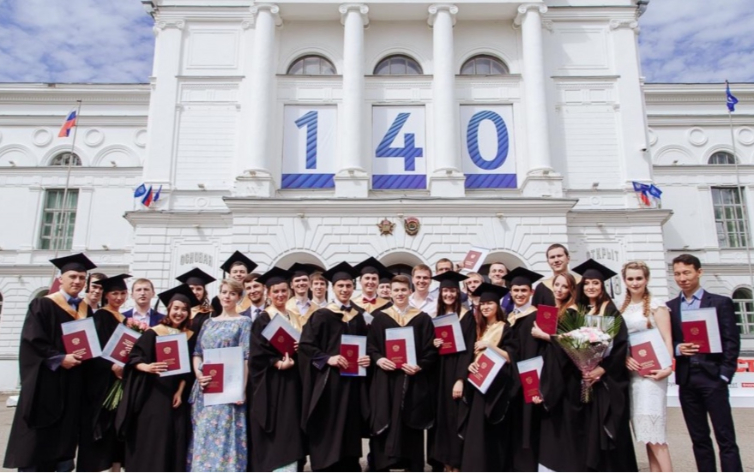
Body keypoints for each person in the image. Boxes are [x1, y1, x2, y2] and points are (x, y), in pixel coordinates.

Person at [538, 259, 637, 471]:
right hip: (584, 379)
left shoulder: (611, 311)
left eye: (596, 283)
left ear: (602, 286)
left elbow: (620, 346)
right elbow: (569, 343)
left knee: (609, 427)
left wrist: (601, 369)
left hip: (606, 381)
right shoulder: (580, 311)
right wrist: (583, 365)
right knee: (589, 430)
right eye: (587, 283)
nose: (591, 287)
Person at [4, 253, 97, 471]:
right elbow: (32, 340)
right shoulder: (43, 305)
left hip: (73, 381)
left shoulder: (85, 310)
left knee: (66, 432)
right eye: (73, 276)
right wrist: (60, 358)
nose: (77, 281)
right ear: (60, 278)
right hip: (47, 381)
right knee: (41, 435)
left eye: (82, 278)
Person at [667, 254, 742, 472]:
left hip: (713, 377)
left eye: (686, 272)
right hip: (687, 380)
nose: (682, 278)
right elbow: (667, 340)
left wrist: (724, 375)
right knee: (699, 438)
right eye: (677, 274)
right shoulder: (671, 307)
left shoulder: (720, 303)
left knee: (725, 437)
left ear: (699, 272)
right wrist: (678, 348)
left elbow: (731, 341)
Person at [115, 284, 199, 472]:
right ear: (169, 309)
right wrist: (147, 367)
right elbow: (134, 358)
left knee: (172, 436)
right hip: (153, 391)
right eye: (176, 308)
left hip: (176, 395)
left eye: (184, 310)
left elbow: (189, 370)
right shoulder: (154, 332)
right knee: (152, 434)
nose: (179, 313)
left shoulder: (190, 336)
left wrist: (180, 391)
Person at [299, 262, 371, 471]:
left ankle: (349, 463)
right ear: (333, 287)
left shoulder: (358, 317)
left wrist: (366, 358)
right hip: (329, 381)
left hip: (352, 380)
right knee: (329, 422)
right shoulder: (321, 315)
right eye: (340, 286)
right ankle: (327, 464)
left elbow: (367, 344)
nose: (344, 289)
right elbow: (306, 345)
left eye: (348, 286)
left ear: (353, 288)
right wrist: (327, 358)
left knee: (350, 422)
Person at [368, 274, 438, 472]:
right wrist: (379, 359)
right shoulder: (380, 318)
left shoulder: (422, 318)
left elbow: (430, 350)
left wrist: (420, 366)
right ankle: (382, 465)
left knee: (410, 420)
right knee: (385, 417)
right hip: (386, 379)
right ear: (390, 293)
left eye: (403, 290)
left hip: (412, 379)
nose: (399, 294)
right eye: (396, 290)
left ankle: (412, 465)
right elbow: (371, 346)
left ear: (410, 291)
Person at [188, 278, 252, 472]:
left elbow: (246, 357)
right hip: (205, 388)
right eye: (224, 292)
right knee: (203, 434)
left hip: (229, 389)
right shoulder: (208, 323)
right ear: (219, 294)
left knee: (226, 434)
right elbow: (197, 353)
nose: (227, 296)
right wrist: (199, 374)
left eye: (232, 293)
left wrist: (241, 390)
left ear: (239, 297)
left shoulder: (244, 322)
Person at [249, 267, 306, 472]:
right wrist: (277, 363)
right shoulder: (263, 318)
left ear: (289, 291)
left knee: (292, 423)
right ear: (268, 293)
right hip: (273, 381)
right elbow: (257, 353)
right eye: (276, 291)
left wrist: (301, 348)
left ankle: (293, 465)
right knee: (279, 423)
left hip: (294, 379)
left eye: (283, 291)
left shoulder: (295, 317)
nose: (280, 295)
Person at [619, 261, 674, 472]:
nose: (635, 283)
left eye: (639, 278)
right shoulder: (621, 307)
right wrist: (625, 358)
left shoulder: (657, 306)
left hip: (654, 374)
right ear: (625, 280)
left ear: (646, 279)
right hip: (633, 374)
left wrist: (667, 368)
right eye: (630, 279)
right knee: (645, 434)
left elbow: (667, 339)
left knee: (655, 432)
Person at [78, 274, 131, 473]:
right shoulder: (100, 316)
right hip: (101, 385)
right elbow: (93, 349)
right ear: (106, 295)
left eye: (122, 293)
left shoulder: (125, 319)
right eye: (114, 293)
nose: (119, 297)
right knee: (100, 426)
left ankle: (114, 467)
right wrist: (111, 366)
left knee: (115, 429)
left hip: (119, 381)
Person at [459, 283, 513, 472]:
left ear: (497, 305)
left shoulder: (505, 328)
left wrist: (489, 345)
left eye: (490, 303)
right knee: (475, 431)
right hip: (476, 385)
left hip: (495, 389)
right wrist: (470, 365)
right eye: (482, 304)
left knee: (490, 432)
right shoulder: (477, 328)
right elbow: (469, 355)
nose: (485, 307)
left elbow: (510, 357)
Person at [427, 271, 474, 472]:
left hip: (455, 372)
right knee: (439, 419)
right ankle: (441, 463)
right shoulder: (434, 317)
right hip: (438, 375)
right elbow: (426, 348)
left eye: (452, 290)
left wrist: (460, 379)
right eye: (445, 290)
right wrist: (433, 343)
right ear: (440, 293)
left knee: (454, 417)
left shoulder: (466, 316)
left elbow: (469, 350)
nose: (449, 294)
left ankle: (455, 463)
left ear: (458, 292)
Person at [500, 267, 545, 472]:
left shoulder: (538, 316)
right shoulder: (508, 317)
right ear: (510, 292)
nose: (519, 294)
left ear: (531, 292)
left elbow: (546, 352)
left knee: (529, 426)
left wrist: (540, 384)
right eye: (516, 290)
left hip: (530, 381)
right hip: (511, 381)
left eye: (523, 290)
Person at [177, 268, 217, 333]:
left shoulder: (210, 314)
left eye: (199, 289)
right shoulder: (176, 312)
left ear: (204, 292)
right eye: (191, 289)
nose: (194, 292)